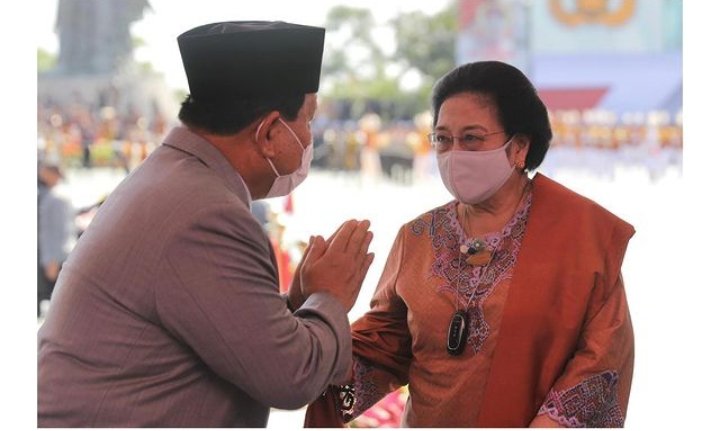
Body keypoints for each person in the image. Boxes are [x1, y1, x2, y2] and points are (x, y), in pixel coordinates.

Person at [38, 21, 375, 427]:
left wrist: (298, 303)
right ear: (269, 132)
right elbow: (292, 376)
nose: (309, 137)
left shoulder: (176, 177)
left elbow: (227, 333)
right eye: (307, 120)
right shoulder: (207, 215)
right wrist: (331, 297)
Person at [305, 61, 635, 428]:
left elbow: (603, 356)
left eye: (472, 139)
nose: (454, 153)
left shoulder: (580, 233)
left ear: (519, 147)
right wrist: (316, 330)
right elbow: (386, 348)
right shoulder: (417, 236)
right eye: (443, 139)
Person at [37, 162, 75, 317]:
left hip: (53, 258)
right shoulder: (50, 195)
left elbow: (56, 231)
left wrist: (50, 259)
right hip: (53, 256)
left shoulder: (55, 198)